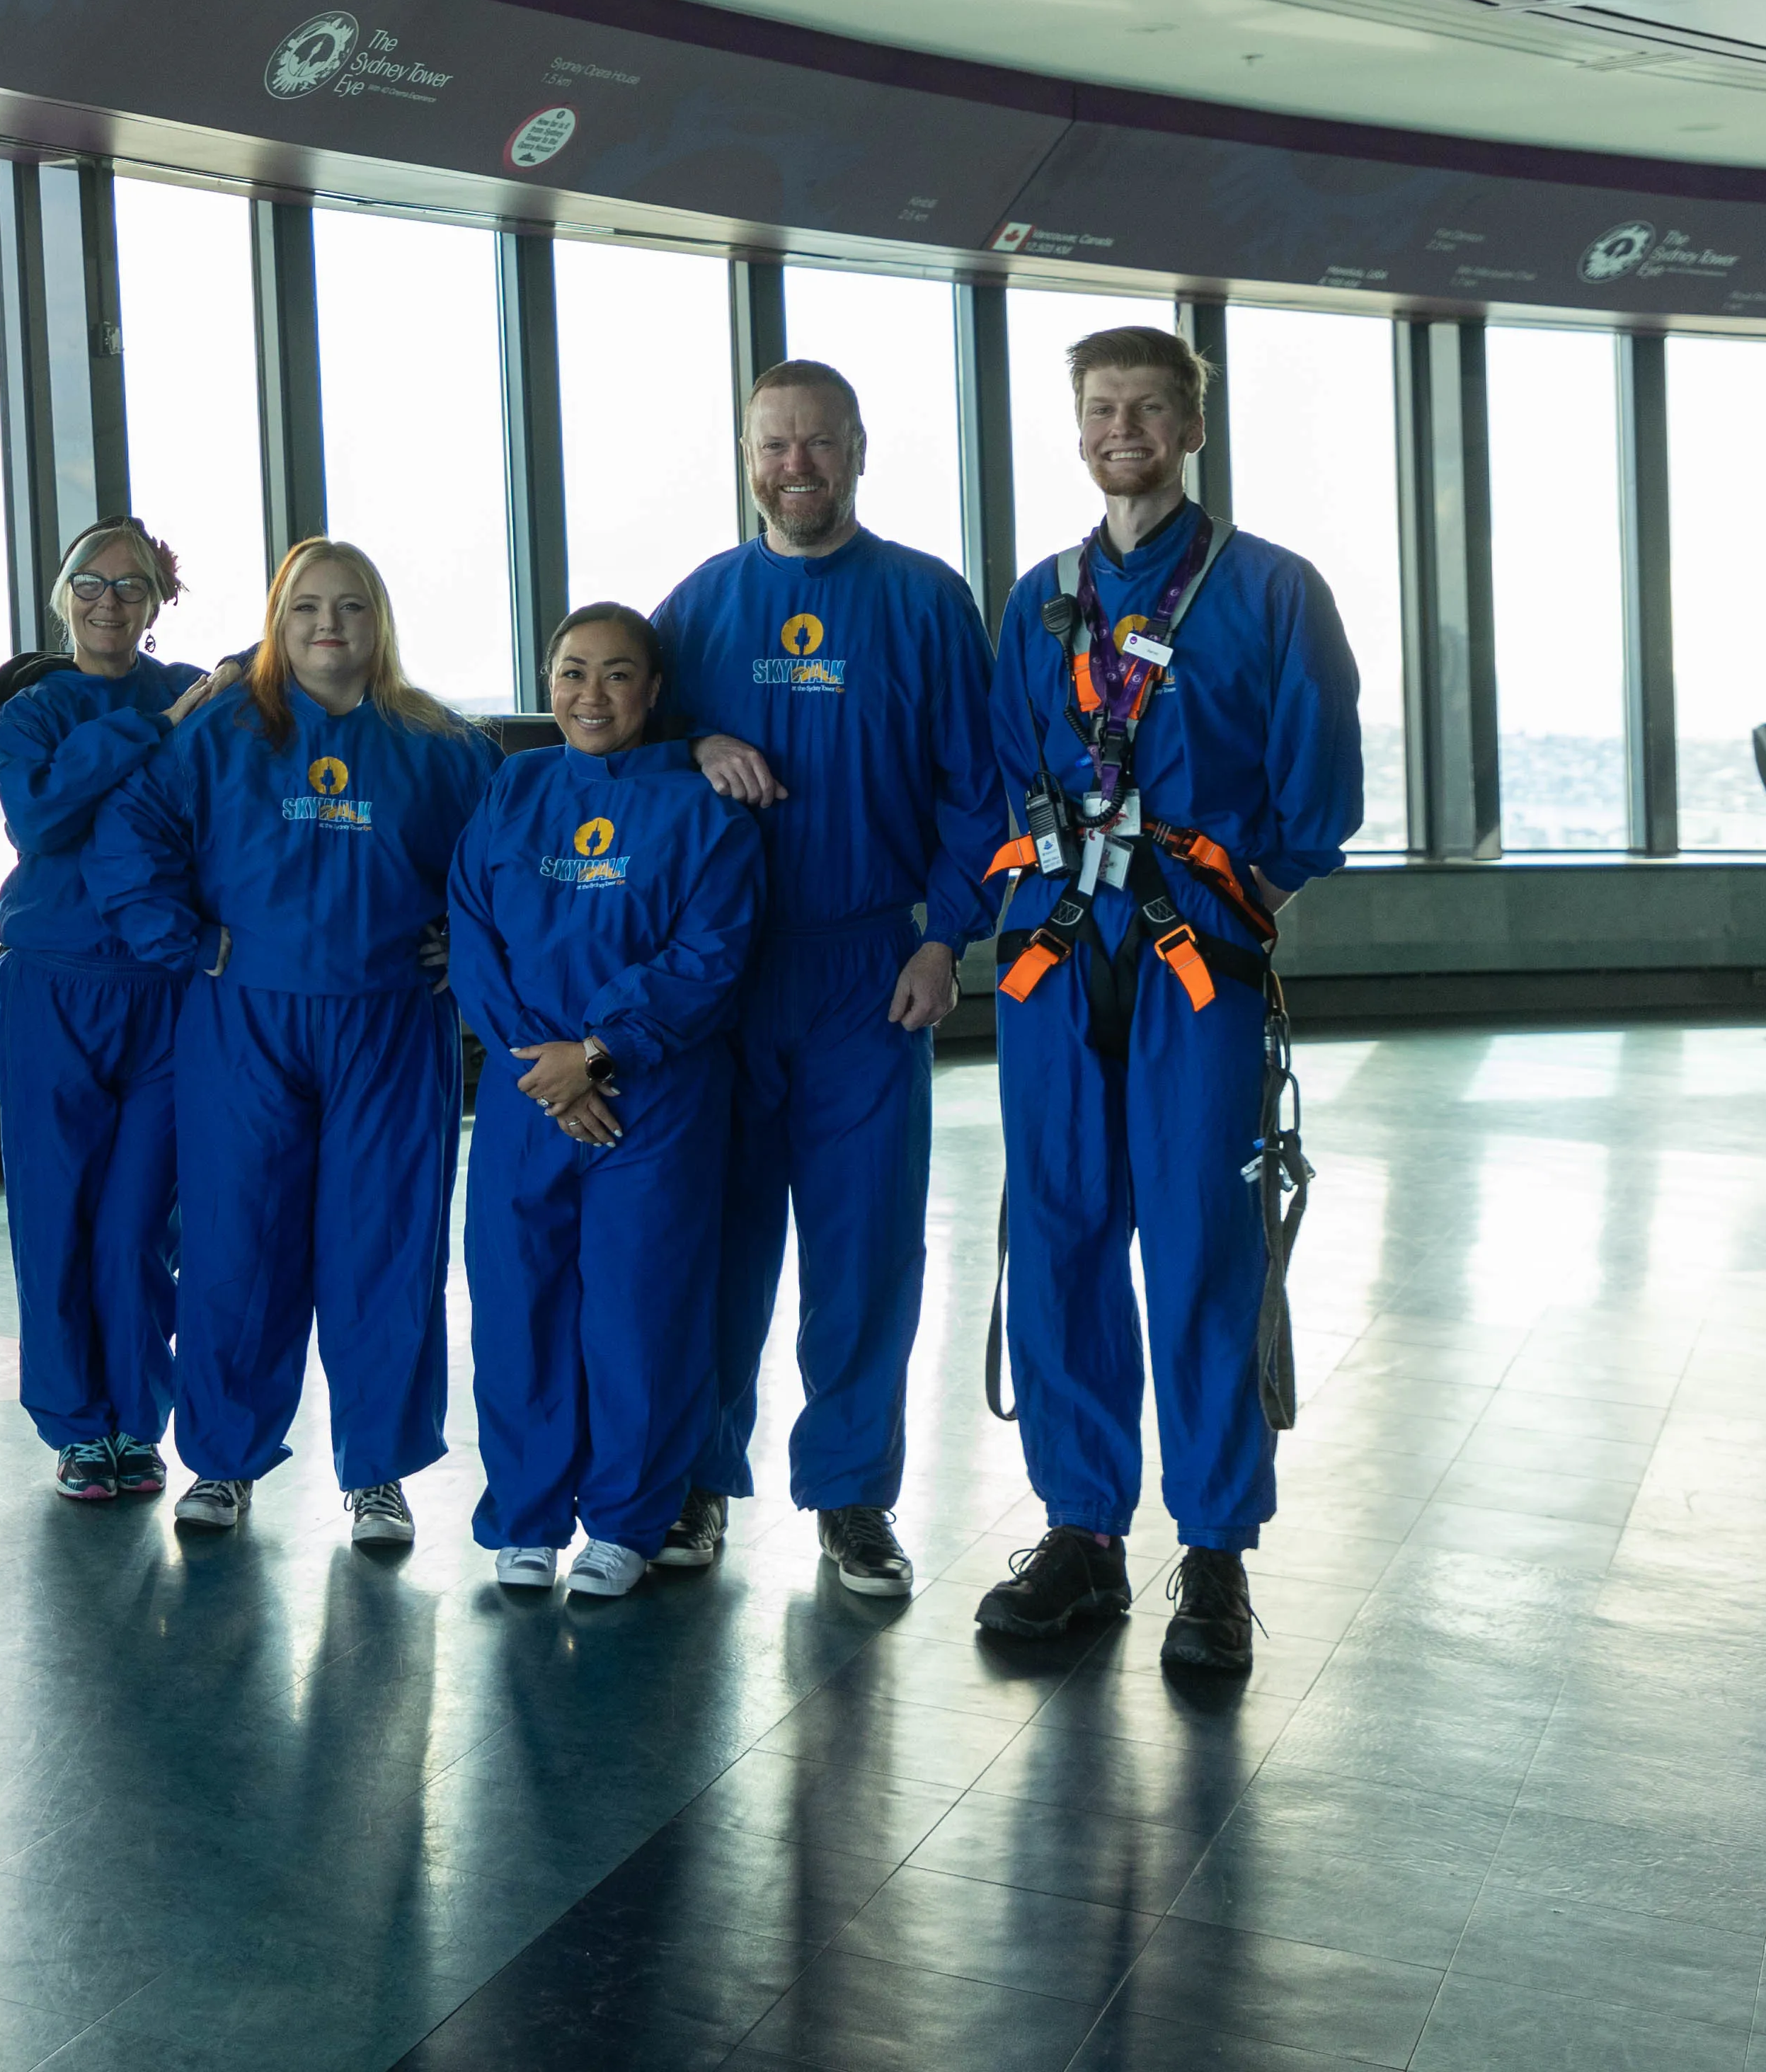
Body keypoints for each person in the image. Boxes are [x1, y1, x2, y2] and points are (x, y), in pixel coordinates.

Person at [975, 323, 1359, 1673]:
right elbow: (1002, 765)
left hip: (1198, 952)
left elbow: (1320, 794)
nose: (1120, 427)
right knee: (1063, 1227)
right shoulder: (1039, 598)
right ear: (1077, 430)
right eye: (1098, 408)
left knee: (1202, 1242)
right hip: (1053, 952)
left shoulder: (1269, 591)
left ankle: (1212, 1554)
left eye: (1146, 406)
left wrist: (1235, 889)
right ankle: (1083, 1531)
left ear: (1191, 428)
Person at [650, 359, 999, 1596]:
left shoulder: (924, 601)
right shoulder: (698, 607)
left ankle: (851, 1495)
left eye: (817, 443)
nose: (794, 465)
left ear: (857, 450)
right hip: (725, 979)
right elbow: (620, 747)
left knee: (864, 1249)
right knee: (715, 1240)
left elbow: (979, 789)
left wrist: (945, 938)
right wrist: (694, 738)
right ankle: (699, 1480)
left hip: (868, 968)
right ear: (747, 456)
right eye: (772, 445)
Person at [93, 538, 498, 1549]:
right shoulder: (228, 732)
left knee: (386, 1249)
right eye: (308, 606)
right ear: (278, 620)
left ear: (381, 623)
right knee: (238, 1244)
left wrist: (473, 948)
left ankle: (378, 1472)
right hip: (247, 1019)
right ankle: (224, 1461)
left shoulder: (439, 745)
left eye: (352, 606)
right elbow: (130, 832)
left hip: (391, 1023)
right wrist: (184, 937)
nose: (330, 625)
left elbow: (511, 857)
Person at [447, 605, 761, 1601]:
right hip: (525, 1092)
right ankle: (528, 1513)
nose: (592, 694)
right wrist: (542, 1065)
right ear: (548, 684)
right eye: (573, 672)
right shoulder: (515, 787)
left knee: (641, 1308)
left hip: (653, 1101)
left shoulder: (704, 808)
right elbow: (472, 931)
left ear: (655, 691)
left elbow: (709, 956)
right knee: (518, 1302)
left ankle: (629, 1516)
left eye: (618, 675)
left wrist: (598, 1052)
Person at [0, 518, 199, 1503]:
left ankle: (137, 1419)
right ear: (60, 592)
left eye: (132, 585)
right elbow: (39, 818)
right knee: (55, 1215)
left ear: (160, 602)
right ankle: (78, 1427)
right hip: (54, 989)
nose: (110, 600)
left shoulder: (196, 693)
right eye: (91, 581)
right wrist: (149, 732)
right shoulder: (37, 709)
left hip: (165, 990)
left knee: (137, 1224)